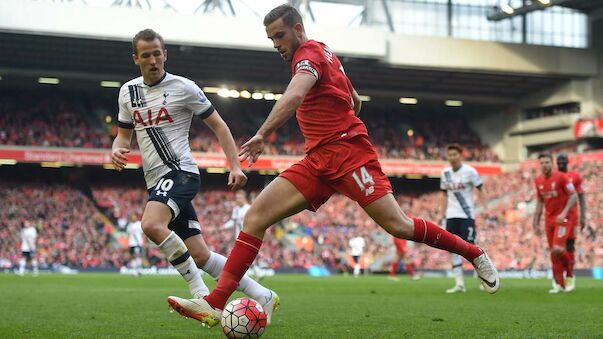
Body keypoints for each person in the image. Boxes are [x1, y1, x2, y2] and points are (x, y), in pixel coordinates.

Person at [167, 5, 499, 327]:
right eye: (272, 39)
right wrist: (338, 113)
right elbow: (355, 99)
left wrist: (263, 134)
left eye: (280, 36)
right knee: (256, 217)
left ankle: (474, 253)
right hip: (318, 160)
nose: (277, 45)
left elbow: (295, 95)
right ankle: (215, 303)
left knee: (399, 226)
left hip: (349, 156)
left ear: (298, 29)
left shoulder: (308, 56)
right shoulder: (325, 52)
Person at [112, 28, 278, 324]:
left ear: (165, 54)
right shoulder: (128, 92)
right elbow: (123, 137)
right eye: (146, 55)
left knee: (151, 224)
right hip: (155, 180)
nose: (153, 60)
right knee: (201, 255)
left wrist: (234, 166)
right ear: (136, 58)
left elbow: (219, 126)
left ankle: (201, 296)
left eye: (157, 53)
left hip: (181, 173)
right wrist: (117, 149)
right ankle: (262, 293)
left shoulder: (184, 87)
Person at [440, 144, 488, 293]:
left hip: (466, 216)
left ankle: (483, 279)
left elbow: (480, 188)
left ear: (461, 155)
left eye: (455, 154)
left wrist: (485, 208)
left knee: (471, 248)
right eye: (450, 155)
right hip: (451, 216)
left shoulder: (470, 172)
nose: (452, 157)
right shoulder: (445, 173)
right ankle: (459, 283)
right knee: (452, 249)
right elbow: (443, 194)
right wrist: (442, 213)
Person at [533, 153, 577, 293]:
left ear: (552, 163)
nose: (544, 165)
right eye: (542, 163)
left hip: (563, 220)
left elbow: (574, 195)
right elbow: (540, 201)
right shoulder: (538, 180)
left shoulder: (562, 177)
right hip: (549, 221)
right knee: (553, 253)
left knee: (558, 249)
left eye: (547, 162)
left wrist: (564, 213)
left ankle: (570, 274)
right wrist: (536, 220)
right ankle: (559, 283)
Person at [555, 153, 585, 292]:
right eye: (558, 160)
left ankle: (570, 275)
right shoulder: (553, 177)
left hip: (572, 217)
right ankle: (558, 279)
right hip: (558, 217)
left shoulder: (575, 176)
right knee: (556, 248)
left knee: (569, 246)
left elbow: (581, 196)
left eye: (563, 160)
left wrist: (583, 216)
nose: (561, 162)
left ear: (567, 161)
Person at [223, 190, 264, 280]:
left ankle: (238, 275)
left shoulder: (248, 208)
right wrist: (224, 227)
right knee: (242, 256)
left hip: (248, 235)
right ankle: (257, 272)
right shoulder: (236, 209)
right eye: (237, 198)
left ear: (244, 198)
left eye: (240, 197)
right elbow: (233, 221)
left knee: (242, 256)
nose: (238, 199)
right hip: (239, 236)